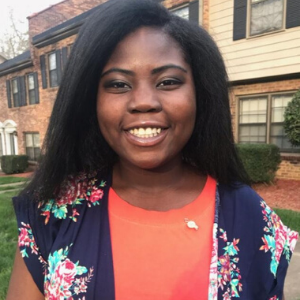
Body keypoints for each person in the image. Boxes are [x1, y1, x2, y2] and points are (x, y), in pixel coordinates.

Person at [6, 0, 298, 299]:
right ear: (89, 101)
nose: (143, 102)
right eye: (118, 84)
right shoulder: (52, 213)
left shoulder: (248, 214)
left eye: (168, 81)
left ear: (200, 94)